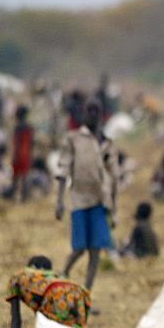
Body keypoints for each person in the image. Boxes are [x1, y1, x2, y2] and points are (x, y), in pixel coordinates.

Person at [55, 97, 119, 292]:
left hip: (101, 203)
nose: (92, 114)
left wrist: (114, 210)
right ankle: (60, 279)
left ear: (101, 115)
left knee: (95, 252)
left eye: (96, 111)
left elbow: (113, 177)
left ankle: (85, 296)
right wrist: (59, 201)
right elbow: (63, 170)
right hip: (79, 200)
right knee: (79, 248)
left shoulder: (107, 143)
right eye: (89, 110)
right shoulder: (73, 139)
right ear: (84, 114)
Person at [7, 256, 90, 328]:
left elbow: (16, 317)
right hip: (79, 292)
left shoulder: (18, 278)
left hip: (55, 295)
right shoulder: (56, 276)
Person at [11, 105, 33, 202]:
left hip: (18, 154)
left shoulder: (17, 127)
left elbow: (17, 143)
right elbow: (32, 143)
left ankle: (13, 195)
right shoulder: (29, 127)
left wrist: (14, 156)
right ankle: (24, 197)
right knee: (24, 177)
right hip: (26, 154)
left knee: (15, 177)